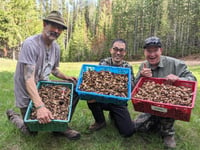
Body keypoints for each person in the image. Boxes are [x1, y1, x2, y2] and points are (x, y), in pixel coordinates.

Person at [6, 11, 80, 140]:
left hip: (43, 87)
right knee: (31, 132)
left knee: (74, 88)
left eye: (60, 29)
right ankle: (14, 116)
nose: (56, 30)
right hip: (26, 91)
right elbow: (28, 78)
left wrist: (66, 77)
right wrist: (40, 106)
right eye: (53, 26)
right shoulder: (31, 44)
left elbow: (53, 70)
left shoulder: (56, 47)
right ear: (44, 24)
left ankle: (60, 127)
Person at [134, 36, 197, 148]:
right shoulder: (144, 65)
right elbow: (135, 87)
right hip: (150, 104)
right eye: (149, 51)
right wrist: (141, 76)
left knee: (165, 116)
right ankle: (155, 121)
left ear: (161, 51)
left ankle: (167, 132)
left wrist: (178, 79)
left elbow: (193, 79)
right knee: (137, 128)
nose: (152, 54)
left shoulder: (175, 63)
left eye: (155, 50)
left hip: (169, 107)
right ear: (145, 52)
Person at [87, 39, 136, 137]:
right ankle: (100, 121)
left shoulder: (127, 67)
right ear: (111, 50)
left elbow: (131, 86)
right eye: (115, 49)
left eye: (121, 50)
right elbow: (98, 82)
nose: (118, 53)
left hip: (118, 101)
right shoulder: (104, 63)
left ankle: (114, 115)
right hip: (103, 98)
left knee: (128, 132)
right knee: (90, 97)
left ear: (125, 52)